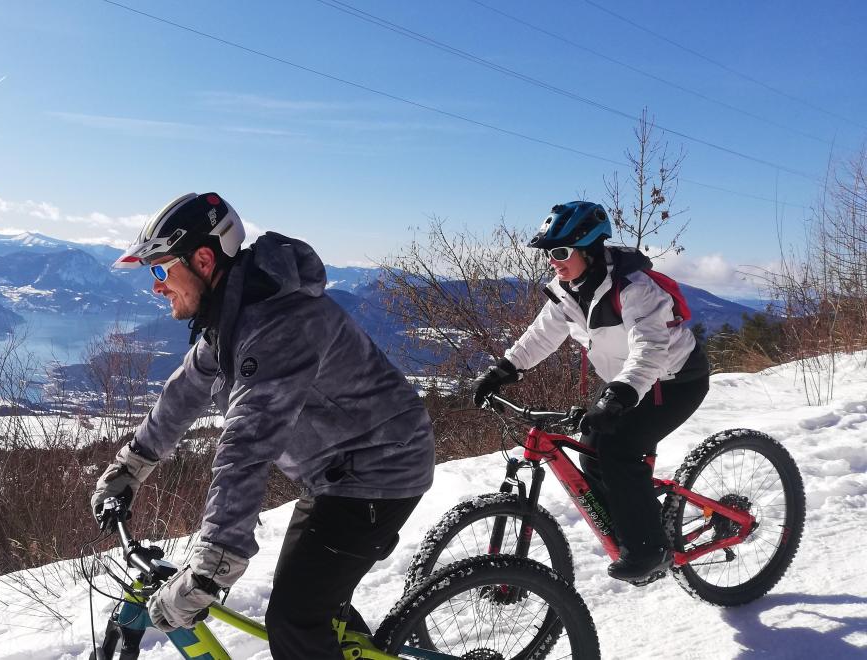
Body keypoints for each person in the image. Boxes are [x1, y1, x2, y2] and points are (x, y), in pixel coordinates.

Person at [92, 192, 435, 658]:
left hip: (381, 469)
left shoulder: (277, 324)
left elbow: (246, 445)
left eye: (160, 269)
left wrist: (214, 565)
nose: (156, 286)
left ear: (204, 259)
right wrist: (130, 467)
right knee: (312, 602)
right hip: (338, 468)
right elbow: (184, 392)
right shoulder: (235, 310)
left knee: (293, 622)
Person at [472, 201, 709, 583]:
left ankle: (650, 549)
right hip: (626, 380)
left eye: (561, 252)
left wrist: (617, 397)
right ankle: (632, 524)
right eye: (549, 254)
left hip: (674, 380)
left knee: (618, 450)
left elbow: (650, 348)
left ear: (590, 249)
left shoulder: (635, 289)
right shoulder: (567, 291)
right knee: (590, 451)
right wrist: (504, 370)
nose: (554, 262)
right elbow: (542, 334)